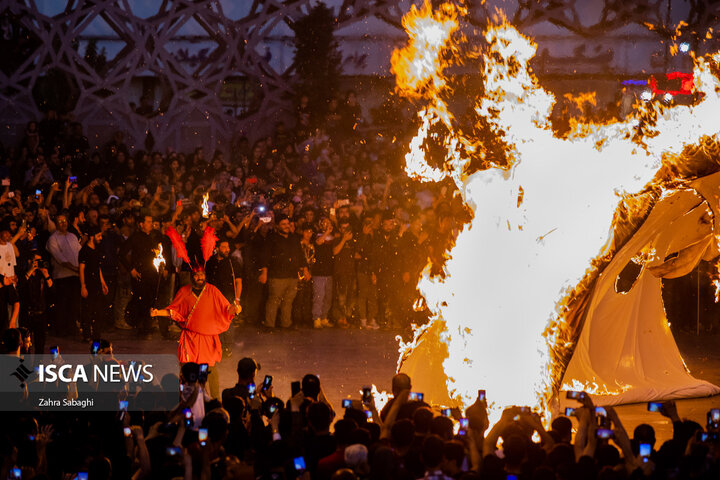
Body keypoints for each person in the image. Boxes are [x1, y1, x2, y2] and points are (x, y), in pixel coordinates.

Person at [150, 268, 239, 397]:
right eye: (196, 275)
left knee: (210, 370)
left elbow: (226, 309)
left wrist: (235, 308)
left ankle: (216, 400)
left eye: (202, 274)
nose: (200, 277)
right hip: (190, 339)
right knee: (187, 370)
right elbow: (174, 312)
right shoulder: (184, 292)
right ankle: (185, 398)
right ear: (192, 277)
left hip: (208, 339)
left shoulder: (212, 290)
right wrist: (157, 312)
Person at [260, 214, 309, 329]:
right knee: (274, 301)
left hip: (292, 275)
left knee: (288, 301)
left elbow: (300, 255)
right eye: (284, 224)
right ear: (277, 226)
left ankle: (286, 324)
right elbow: (265, 257)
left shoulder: (293, 238)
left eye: (288, 224)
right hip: (277, 276)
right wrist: (264, 272)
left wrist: (305, 269)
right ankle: (269, 324)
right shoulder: (272, 239)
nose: (287, 226)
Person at [119, 214, 160, 337]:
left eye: (151, 221)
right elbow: (122, 254)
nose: (151, 224)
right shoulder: (135, 238)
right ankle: (140, 326)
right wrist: (131, 269)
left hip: (152, 274)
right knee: (140, 300)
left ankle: (148, 325)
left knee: (150, 300)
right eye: (148, 222)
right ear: (141, 224)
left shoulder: (153, 237)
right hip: (139, 275)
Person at [46, 213, 81, 336]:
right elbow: (60, 259)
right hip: (62, 276)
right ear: (56, 224)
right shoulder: (53, 239)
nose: (63, 223)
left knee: (74, 303)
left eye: (65, 221)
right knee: (63, 304)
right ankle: (60, 330)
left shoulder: (72, 237)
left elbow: (80, 252)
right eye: (60, 221)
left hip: (76, 276)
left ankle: (71, 327)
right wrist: (75, 268)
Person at [19, 251, 53, 354]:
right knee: (26, 344)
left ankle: (38, 367)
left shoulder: (41, 275)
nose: (39, 263)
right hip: (27, 313)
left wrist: (46, 275)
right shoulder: (24, 273)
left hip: (41, 313)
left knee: (40, 344)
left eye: (40, 260)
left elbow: (52, 290)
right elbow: (20, 287)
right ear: (30, 261)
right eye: (37, 261)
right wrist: (30, 271)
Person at [79, 225, 109, 341]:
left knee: (98, 310)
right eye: (98, 236)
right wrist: (83, 286)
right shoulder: (84, 251)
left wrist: (103, 283)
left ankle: (96, 335)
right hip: (88, 283)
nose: (100, 238)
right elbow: (81, 269)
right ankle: (86, 334)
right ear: (92, 237)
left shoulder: (97, 250)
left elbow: (98, 268)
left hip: (96, 284)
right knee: (87, 310)